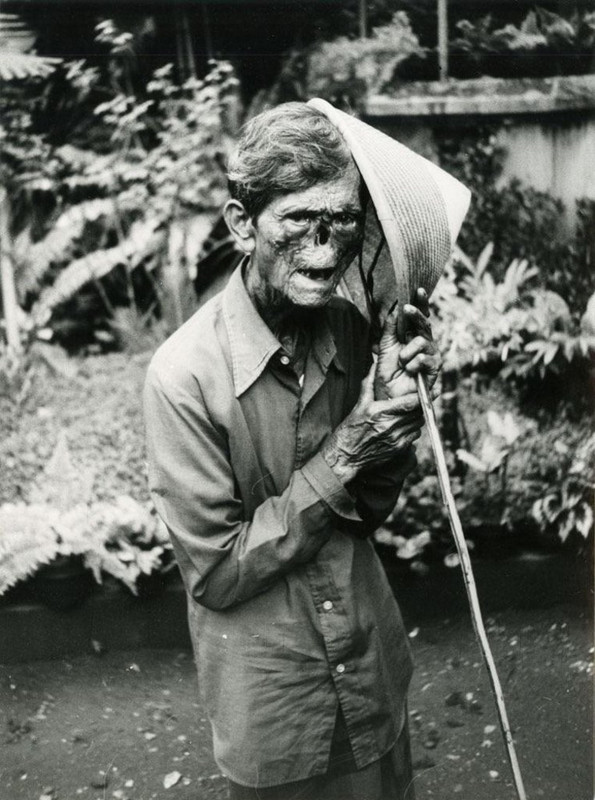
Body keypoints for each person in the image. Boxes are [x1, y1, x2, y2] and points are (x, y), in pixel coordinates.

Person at [143, 102, 441, 800]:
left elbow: (366, 513)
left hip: (368, 667)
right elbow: (216, 574)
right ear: (242, 225)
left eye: (340, 221)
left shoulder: (345, 326)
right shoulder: (183, 376)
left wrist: (395, 414)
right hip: (274, 702)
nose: (326, 244)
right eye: (300, 220)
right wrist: (349, 449)